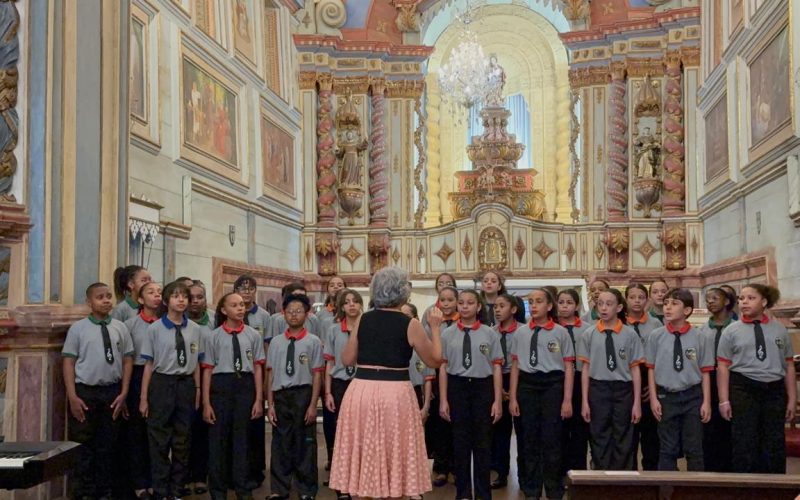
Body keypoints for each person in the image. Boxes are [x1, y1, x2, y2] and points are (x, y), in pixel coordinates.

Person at [329, 267, 443, 499]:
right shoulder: (410, 323)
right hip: (395, 393)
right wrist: (435, 328)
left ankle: (367, 489)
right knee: (395, 449)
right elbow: (434, 360)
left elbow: (347, 359)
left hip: (361, 389)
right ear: (403, 292)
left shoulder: (363, 319)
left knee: (366, 448)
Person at [63, 282, 134, 499]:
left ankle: (105, 491)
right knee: (83, 444)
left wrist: (124, 392)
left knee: (108, 444)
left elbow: (127, 360)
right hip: (85, 392)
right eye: (100, 297)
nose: (106, 301)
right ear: (89, 302)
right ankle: (85, 492)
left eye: (108, 296)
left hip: (112, 391)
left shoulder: (120, 327)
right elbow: (68, 362)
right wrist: (72, 396)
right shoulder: (78, 329)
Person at [717, 284, 797, 473]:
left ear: (764, 302)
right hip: (743, 387)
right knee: (744, 441)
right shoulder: (731, 331)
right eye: (741, 298)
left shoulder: (779, 330)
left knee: (774, 441)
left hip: (774, 389)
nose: (744, 302)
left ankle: (774, 484)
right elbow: (723, 367)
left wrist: (792, 399)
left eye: (751, 298)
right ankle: (746, 484)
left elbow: (789, 366)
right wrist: (723, 400)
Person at [139, 281, 204, 499]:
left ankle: (177, 489)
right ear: (166, 301)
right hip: (162, 383)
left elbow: (196, 363)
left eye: (184, 296)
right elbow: (149, 364)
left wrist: (197, 389)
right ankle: (160, 489)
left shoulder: (195, 329)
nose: (181, 300)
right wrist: (144, 397)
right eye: (176, 296)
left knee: (182, 439)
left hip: (186, 384)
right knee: (159, 439)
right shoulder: (154, 329)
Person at [509, 289, 574, 500]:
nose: (534, 305)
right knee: (529, 438)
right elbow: (516, 366)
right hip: (527, 385)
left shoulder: (560, 332)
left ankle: (553, 488)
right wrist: (513, 397)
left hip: (552, 385)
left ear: (549, 306)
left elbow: (568, 367)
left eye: (539, 301)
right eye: (531, 302)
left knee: (552, 438)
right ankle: (532, 489)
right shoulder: (520, 333)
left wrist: (567, 399)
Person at [439, 289, 503, 500]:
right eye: (461, 303)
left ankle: (483, 493)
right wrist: (443, 399)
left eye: (470, 303)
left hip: (482, 387)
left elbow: (496, 367)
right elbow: (443, 367)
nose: (465, 306)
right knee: (460, 443)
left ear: (478, 307)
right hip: (457, 387)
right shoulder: (447, 334)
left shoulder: (490, 333)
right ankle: (463, 492)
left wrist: (497, 400)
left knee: (483, 444)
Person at [202, 292, 265, 500]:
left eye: (241, 305)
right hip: (221, 386)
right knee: (218, 441)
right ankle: (218, 491)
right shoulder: (213, 337)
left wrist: (258, 399)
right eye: (234, 305)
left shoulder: (253, 335)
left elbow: (257, 368)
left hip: (245, 386)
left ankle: (243, 488)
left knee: (242, 440)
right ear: (223, 310)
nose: (240, 308)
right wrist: (206, 403)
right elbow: (208, 370)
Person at [645, 288, 713, 471]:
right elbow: (651, 369)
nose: (668, 307)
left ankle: (695, 486)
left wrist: (706, 402)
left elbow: (705, 372)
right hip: (666, 396)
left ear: (687, 310)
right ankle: (667, 486)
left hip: (692, 396)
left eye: (674, 304)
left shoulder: (700, 337)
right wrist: (653, 399)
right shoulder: (656, 336)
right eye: (666, 303)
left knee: (694, 447)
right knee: (668, 448)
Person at [267, 294, 324, 500]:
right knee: (280, 443)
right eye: (290, 311)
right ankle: (279, 489)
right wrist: (270, 404)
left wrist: (313, 404)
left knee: (305, 443)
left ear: (307, 314)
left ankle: (306, 489)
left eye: (298, 311)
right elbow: (271, 374)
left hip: (303, 394)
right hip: (281, 394)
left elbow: (317, 374)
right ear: (283, 313)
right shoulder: (275, 342)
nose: (293, 315)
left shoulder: (313, 341)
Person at [578, 289, 643, 470]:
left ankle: (622, 479)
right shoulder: (589, 334)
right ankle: (601, 477)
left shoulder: (630, 334)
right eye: (600, 304)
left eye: (609, 304)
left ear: (619, 307)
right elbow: (585, 369)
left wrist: (637, 403)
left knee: (624, 435)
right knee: (599, 434)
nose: (604, 308)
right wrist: (585, 401)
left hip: (623, 389)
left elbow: (635, 369)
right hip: (598, 389)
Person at [124, 281, 163, 499]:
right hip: (138, 375)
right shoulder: (130, 325)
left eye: (159, 292)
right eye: (151, 292)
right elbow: (127, 359)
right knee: (138, 432)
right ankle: (139, 484)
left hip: (160, 376)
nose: (156, 296)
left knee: (158, 434)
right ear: (140, 299)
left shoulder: (167, 323)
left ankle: (157, 481)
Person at [323, 288, 363, 495]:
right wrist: (328, 392)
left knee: (361, 431)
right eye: (347, 302)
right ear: (341, 307)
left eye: (355, 301)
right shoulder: (333, 330)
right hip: (340, 384)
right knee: (341, 431)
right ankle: (342, 480)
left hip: (362, 382)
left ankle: (361, 475)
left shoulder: (367, 328)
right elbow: (329, 363)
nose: (351, 305)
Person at [233, 275, 271, 486]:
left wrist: (266, 378)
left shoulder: (263, 316)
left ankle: (256, 469)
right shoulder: (230, 312)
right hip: (235, 375)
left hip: (256, 371)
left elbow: (265, 347)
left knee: (256, 424)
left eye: (250, 288)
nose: (246, 292)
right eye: (242, 288)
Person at [625, 283, 663, 470]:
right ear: (625, 300)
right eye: (632, 297)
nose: (637, 301)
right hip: (627, 380)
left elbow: (660, 356)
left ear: (647, 300)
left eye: (641, 297)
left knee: (650, 435)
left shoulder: (655, 324)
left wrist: (654, 384)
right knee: (629, 435)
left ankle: (651, 475)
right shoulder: (620, 323)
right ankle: (630, 476)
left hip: (649, 377)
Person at [490, 293, 526, 490]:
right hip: (496, 380)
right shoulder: (490, 332)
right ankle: (501, 472)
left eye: (502, 306)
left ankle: (525, 475)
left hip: (519, 380)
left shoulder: (524, 331)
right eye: (495, 306)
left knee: (523, 430)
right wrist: (500, 390)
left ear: (513, 309)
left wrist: (512, 391)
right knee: (499, 431)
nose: (497, 310)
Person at [699, 286, 736, 472]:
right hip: (709, 379)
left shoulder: (737, 327)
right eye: (708, 299)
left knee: (731, 424)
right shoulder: (703, 330)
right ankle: (711, 469)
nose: (710, 302)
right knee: (710, 426)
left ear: (727, 301)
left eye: (715, 298)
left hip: (733, 379)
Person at [426, 285, 458, 487]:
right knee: (439, 424)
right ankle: (441, 468)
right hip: (437, 373)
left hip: (456, 375)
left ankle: (456, 468)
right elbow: (427, 351)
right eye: (442, 300)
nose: (446, 304)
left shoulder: (462, 322)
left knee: (456, 424)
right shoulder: (432, 322)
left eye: (450, 300)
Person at [557, 289, 591, 473]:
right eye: (561, 302)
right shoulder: (552, 327)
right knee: (560, 428)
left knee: (580, 429)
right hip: (558, 379)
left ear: (577, 306)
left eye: (569, 302)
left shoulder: (587, 329)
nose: (564, 306)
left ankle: (579, 471)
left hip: (580, 378)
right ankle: (561, 471)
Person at [185, 280, 214, 495]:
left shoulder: (214, 320)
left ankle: (200, 475)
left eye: (199, 297)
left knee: (203, 429)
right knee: (184, 430)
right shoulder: (179, 320)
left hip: (209, 376)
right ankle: (183, 476)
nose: (195, 301)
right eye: (191, 297)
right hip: (186, 377)